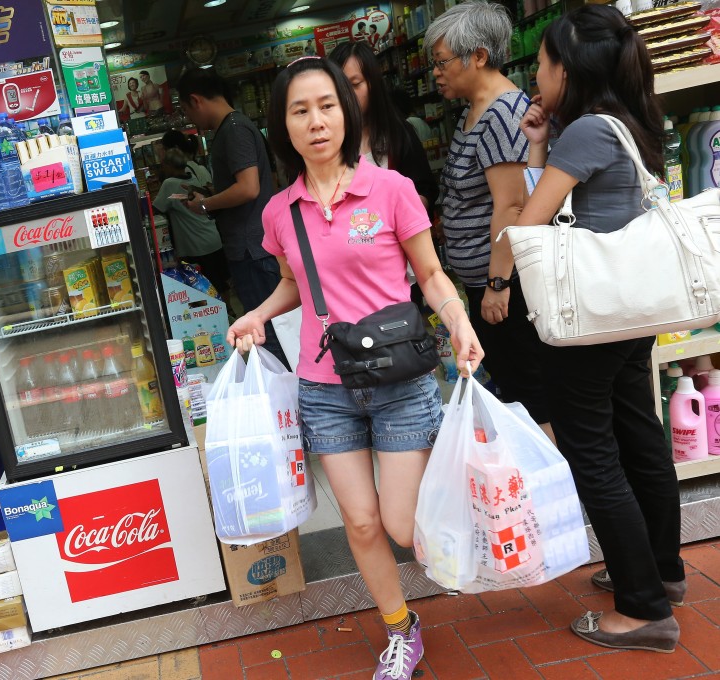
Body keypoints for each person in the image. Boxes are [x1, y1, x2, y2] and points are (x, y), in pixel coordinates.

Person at [228, 56, 483, 680]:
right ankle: (401, 629)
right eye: (300, 110)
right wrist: (256, 314)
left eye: (327, 106)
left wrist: (458, 322)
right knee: (362, 523)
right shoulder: (279, 212)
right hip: (324, 389)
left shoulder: (391, 190)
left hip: (400, 383)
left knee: (400, 523)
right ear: (282, 127)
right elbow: (294, 286)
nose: (316, 121)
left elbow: (429, 273)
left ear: (347, 111)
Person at [516, 4, 683, 652]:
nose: (536, 72)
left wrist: (500, 282)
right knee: (641, 436)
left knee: (593, 454)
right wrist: (540, 138)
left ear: (568, 68)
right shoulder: (638, 120)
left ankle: (640, 609)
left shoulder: (586, 131)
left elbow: (531, 220)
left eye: (541, 62)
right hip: (634, 306)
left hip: (591, 314)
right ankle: (660, 573)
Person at [424, 0, 552, 438]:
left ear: (477, 56)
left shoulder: (501, 115)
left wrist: (498, 284)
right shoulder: (473, 111)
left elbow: (511, 207)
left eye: (441, 62)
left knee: (529, 390)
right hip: (484, 281)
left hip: (505, 286)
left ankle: (552, 486)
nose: (435, 72)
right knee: (513, 386)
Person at [176, 67, 289, 367]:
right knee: (271, 329)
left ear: (195, 100)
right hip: (251, 246)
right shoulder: (235, 127)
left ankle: (287, 401)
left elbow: (249, 188)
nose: (190, 119)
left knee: (269, 332)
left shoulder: (234, 129)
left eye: (186, 110)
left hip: (253, 249)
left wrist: (206, 204)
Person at [329, 41, 437, 212]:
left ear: (373, 85)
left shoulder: (399, 133)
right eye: (339, 87)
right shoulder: (324, 141)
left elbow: (425, 190)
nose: (346, 95)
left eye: (355, 85)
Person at [152, 145, 234, 313]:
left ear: (168, 165)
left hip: (195, 245)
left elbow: (155, 208)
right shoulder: (194, 179)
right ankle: (229, 312)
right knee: (220, 283)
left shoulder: (169, 184)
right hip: (213, 239)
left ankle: (215, 318)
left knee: (201, 286)